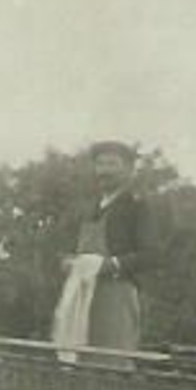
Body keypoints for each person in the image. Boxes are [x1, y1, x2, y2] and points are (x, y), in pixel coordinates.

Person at [58, 140, 160, 352]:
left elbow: (151, 255)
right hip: (81, 294)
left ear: (129, 169)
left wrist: (111, 264)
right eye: (100, 164)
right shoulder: (91, 208)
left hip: (115, 296)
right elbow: (72, 248)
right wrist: (68, 262)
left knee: (111, 361)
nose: (104, 171)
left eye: (112, 164)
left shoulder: (137, 205)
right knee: (77, 356)